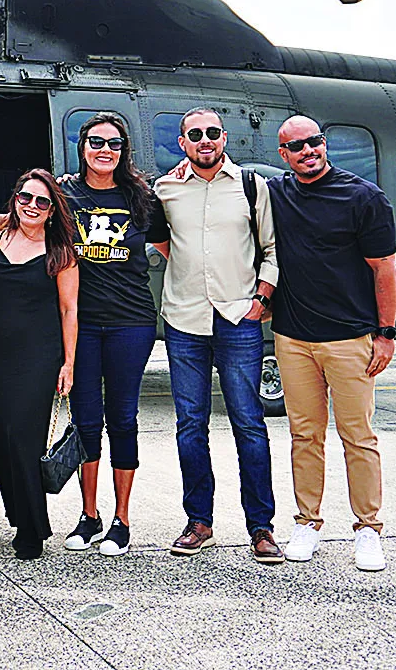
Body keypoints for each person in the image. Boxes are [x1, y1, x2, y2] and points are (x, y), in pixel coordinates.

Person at [151, 108, 282, 563]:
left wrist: (260, 299)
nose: (204, 141)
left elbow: (270, 248)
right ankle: (199, 521)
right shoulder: (166, 190)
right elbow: (163, 240)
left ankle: (261, 528)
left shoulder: (251, 186)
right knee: (190, 426)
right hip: (185, 320)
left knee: (249, 423)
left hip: (237, 319)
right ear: (182, 142)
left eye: (211, 133)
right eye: (194, 135)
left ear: (223, 138)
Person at [269, 115, 396, 572]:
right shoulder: (278, 193)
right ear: (283, 155)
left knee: (358, 437)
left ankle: (368, 529)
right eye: (297, 146)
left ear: (325, 145)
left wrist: (385, 334)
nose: (308, 151)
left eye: (315, 142)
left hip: (350, 339)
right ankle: (307, 522)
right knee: (305, 435)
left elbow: (384, 269)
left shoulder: (363, 197)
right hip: (293, 339)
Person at [58, 111, 170, 557]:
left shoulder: (142, 198)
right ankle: (89, 515)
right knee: (86, 420)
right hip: (81, 324)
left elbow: (170, 248)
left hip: (131, 322)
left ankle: (122, 519)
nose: (105, 151)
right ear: (82, 148)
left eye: (114, 144)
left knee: (122, 418)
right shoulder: (64, 195)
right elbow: (23, 214)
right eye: (96, 142)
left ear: (123, 152)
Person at [0, 170, 79, 560]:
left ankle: (34, 527)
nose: (32, 206)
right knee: (2, 437)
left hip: (40, 356)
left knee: (25, 438)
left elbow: (69, 310)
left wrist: (68, 363)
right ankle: (18, 514)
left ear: (53, 210)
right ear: (14, 200)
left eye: (41, 201)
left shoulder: (61, 253)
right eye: (25, 198)